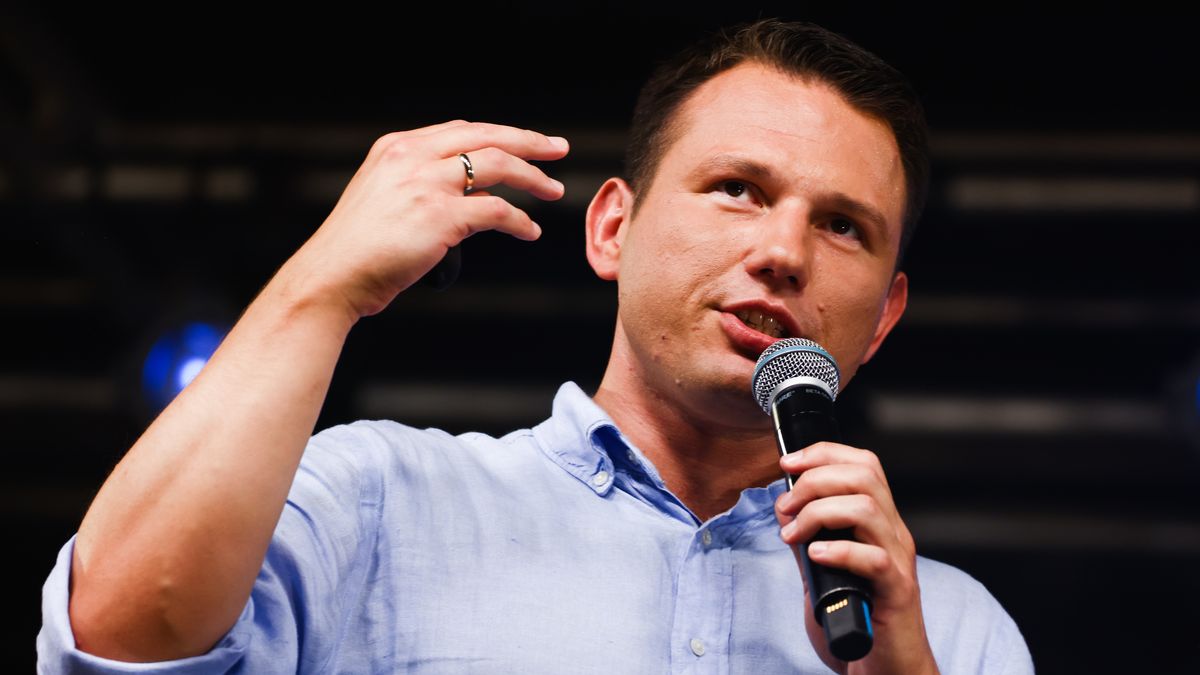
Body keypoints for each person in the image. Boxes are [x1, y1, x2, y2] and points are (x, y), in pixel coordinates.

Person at [38, 19, 1033, 674]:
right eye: (737, 188)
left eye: (844, 226)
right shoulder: (379, 501)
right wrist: (321, 283)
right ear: (611, 230)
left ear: (887, 316)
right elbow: (114, 641)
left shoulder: (957, 632)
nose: (782, 252)